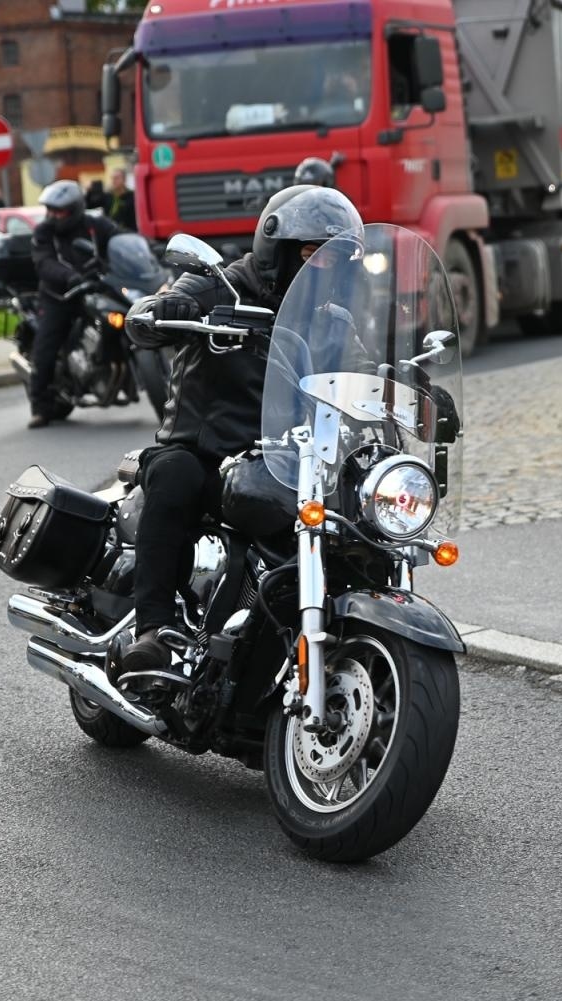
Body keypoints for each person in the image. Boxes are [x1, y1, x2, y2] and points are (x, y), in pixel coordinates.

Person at [120, 184, 363, 673]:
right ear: (277, 248)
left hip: (288, 461)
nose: (325, 270)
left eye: (336, 259)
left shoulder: (334, 322)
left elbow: (363, 378)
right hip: (206, 453)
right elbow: (140, 321)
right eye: (314, 255)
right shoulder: (220, 285)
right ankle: (152, 629)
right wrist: (165, 311)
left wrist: (405, 387)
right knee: (176, 477)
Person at [25, 178, 122, 429]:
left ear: (76, 208)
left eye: (60, 210)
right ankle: (39, 405)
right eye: (50, 210)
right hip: (59, 295)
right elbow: (44, 263)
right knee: (46, 345)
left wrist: (149, 251)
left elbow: (121, 238)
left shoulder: (94, 225)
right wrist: (70, 277)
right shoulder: (43, 232)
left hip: (95, 288)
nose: (54, 215)